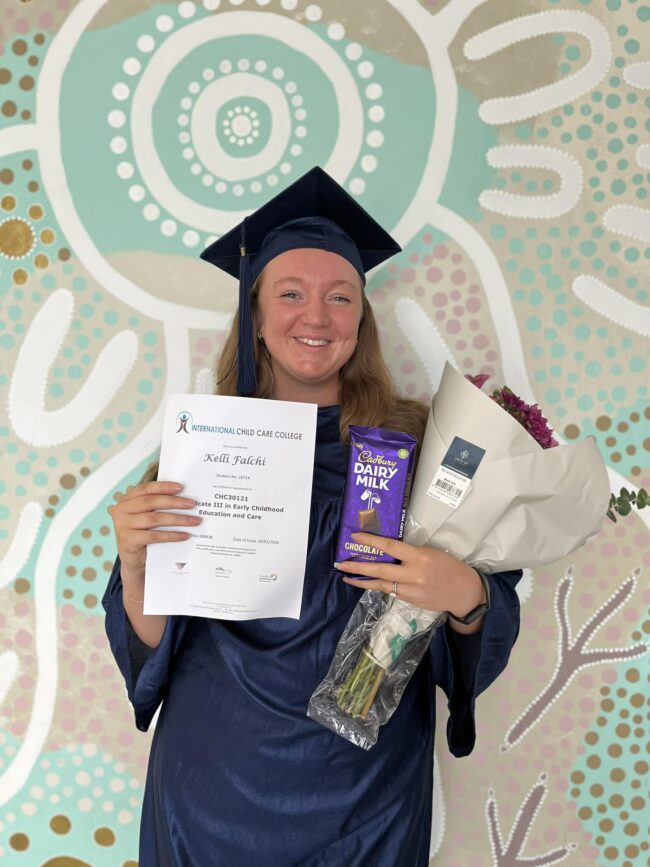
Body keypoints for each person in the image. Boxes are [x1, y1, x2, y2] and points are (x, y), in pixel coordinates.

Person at [103, 167, 522, 866]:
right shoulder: (203, 450)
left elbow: (475, 619)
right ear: (257, 317)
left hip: (366, 789)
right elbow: (153, 646)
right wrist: (139, 561)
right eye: (290, 293)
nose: (316, 315)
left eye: (340, 296)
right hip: (212, 786)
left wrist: (467, 594)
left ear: (362, 318)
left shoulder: (419, 448)